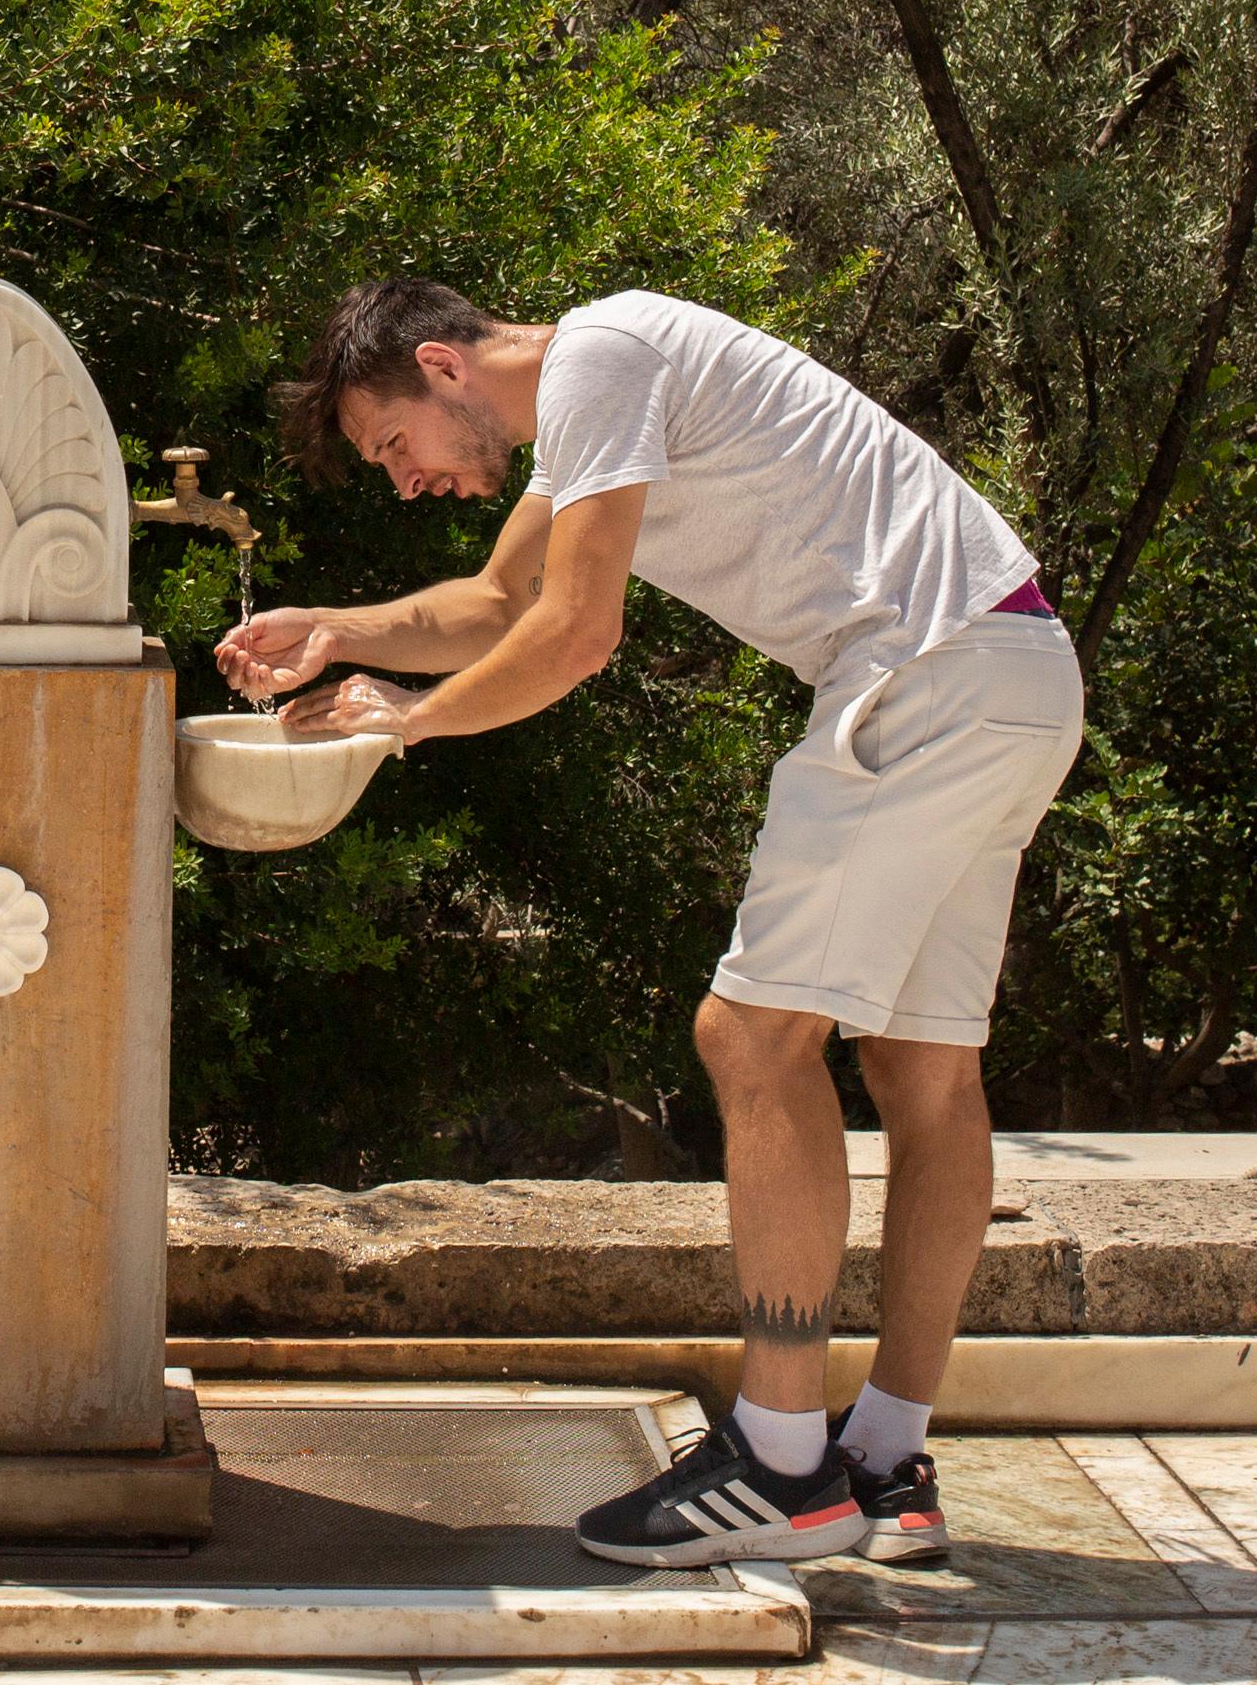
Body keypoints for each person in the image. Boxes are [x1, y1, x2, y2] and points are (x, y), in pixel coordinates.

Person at [220, 281, 1078, 1572]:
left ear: (445, 367)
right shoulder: (594, 399)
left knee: (749, 1039)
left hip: (922, 676)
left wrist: (408, 719)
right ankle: (886, 1460)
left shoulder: (599, 363)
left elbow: (574, 636)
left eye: (395, 445)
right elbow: (499, 604)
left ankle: (785, 1468)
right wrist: (340, 630)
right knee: (919, 1066)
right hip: (1013, 667)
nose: (405, 481)